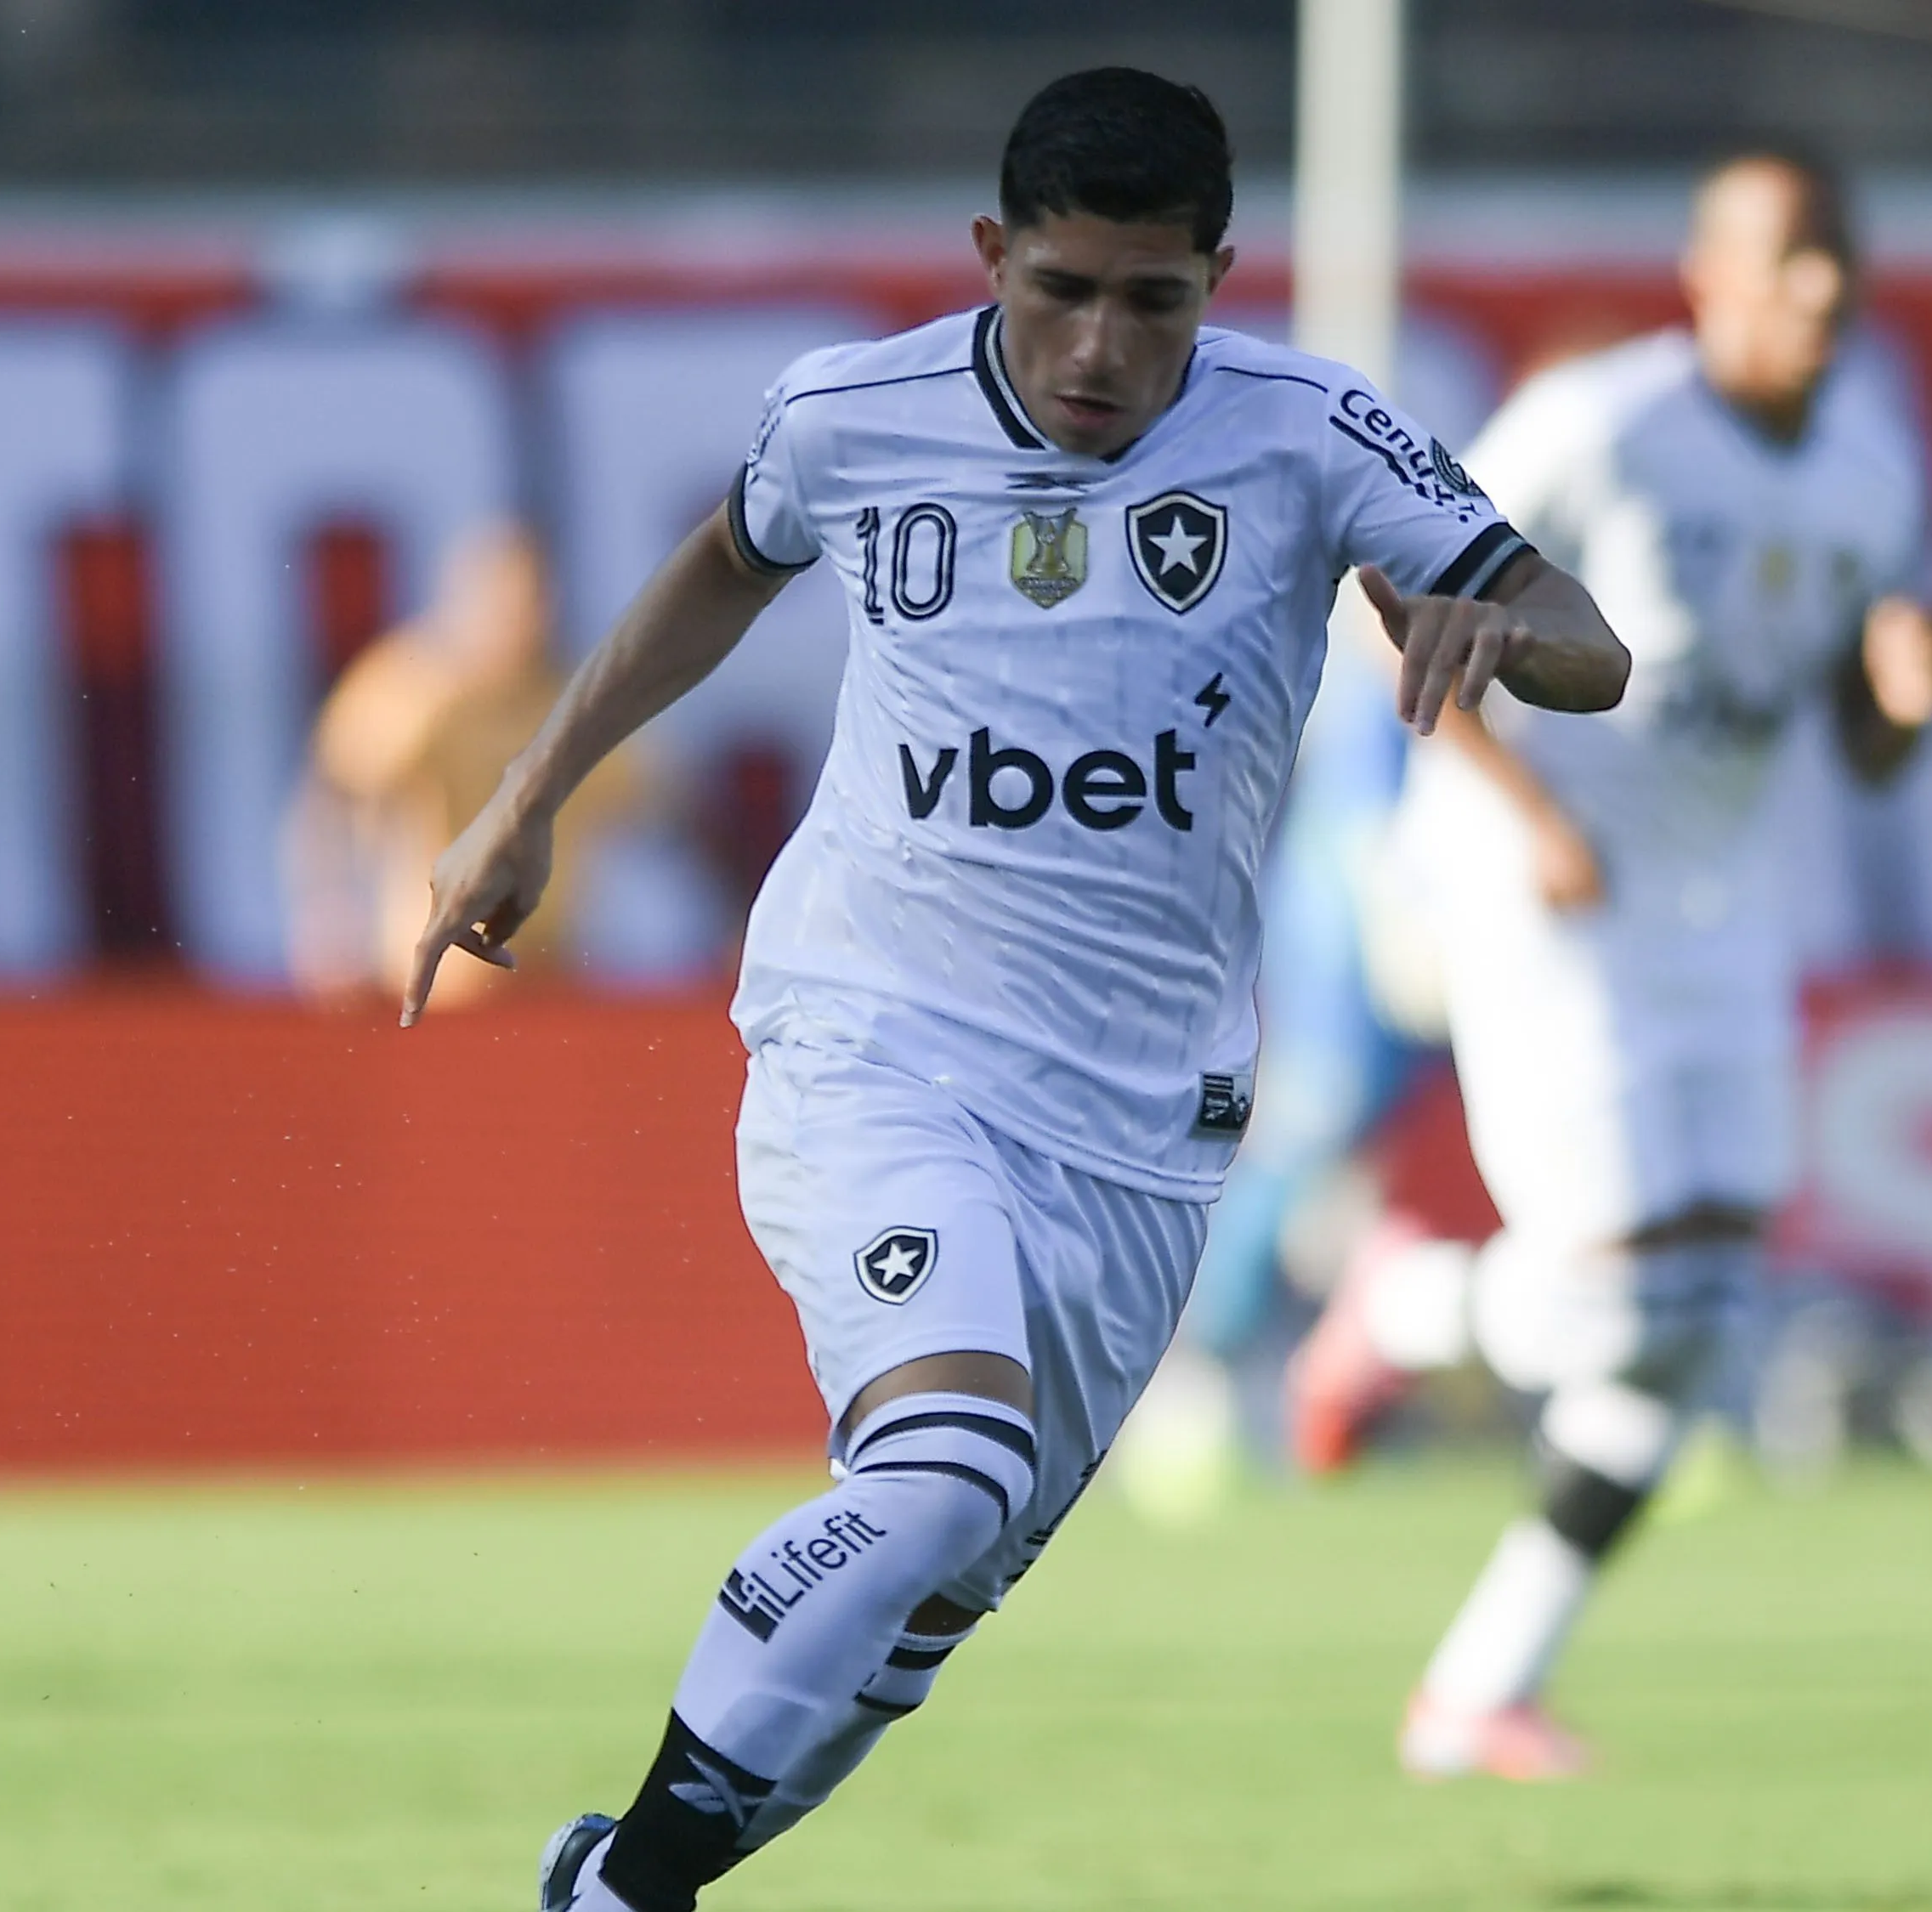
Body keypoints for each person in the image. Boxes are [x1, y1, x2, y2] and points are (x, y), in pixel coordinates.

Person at [397, 70, 1629, 1912]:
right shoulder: (851, 409)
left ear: (1218, 278)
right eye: (1060, 288)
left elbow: (1586, 644)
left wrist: (1508, 624)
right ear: (991, 257)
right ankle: (617, 1897)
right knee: (941, 1479)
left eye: (1155, 300)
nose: (1100, 345)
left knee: (917, 1610)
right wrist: (525, 793)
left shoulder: (1310, 430)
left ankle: (624, 1866)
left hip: (1142, 1135)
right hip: (876, 1042)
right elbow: (724, 563)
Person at [1283, 149, 1932, 1781]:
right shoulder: (1606, 423)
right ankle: (1406, 1302)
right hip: (1548, 884)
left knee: (1700, 1327)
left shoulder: (1875, 468)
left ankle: (1475, 1688)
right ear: (1707, 274)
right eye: (1781, 260)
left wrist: (1917, 684)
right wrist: (1519, 804)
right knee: (1632, 1289)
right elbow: (1395, 587)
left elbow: (1865, 750)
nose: (1816, 290)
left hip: (1724, 902)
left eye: (1835, 259)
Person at [283, 524, 639, 1007]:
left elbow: (664, 809)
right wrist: (326, 916)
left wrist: (735, 918)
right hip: (440, 983)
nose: (516, 621)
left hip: (551, 977)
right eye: (500, 606)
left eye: (528, 605)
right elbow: (332, 798)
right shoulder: (416, 688)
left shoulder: (571, 701)